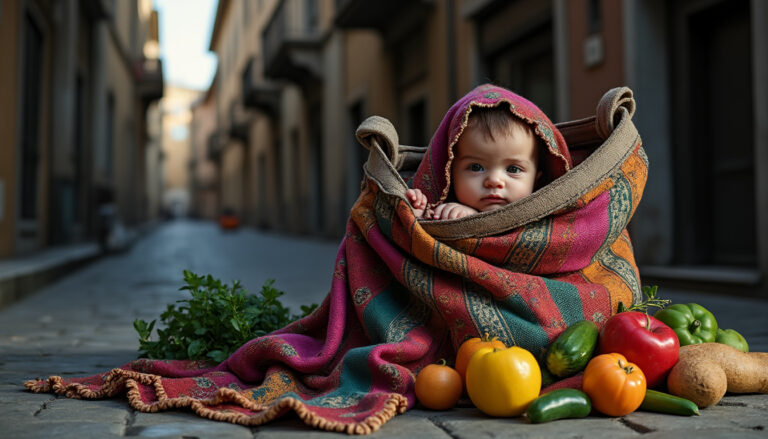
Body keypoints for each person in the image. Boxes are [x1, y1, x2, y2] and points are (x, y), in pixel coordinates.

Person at [406, 99, 544, 220]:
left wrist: (475, 219)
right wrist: (418, 212)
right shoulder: (441, 213)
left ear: (536, 180)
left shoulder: (551, 221)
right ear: (449, 173)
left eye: (513, 169)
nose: (494, 181)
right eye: (476, 167)